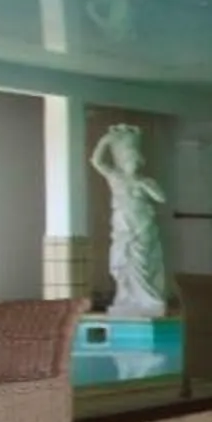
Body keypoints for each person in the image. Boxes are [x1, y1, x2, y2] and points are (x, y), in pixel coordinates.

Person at [90, 123, 171, 318]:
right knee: (123, 261)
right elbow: (97, 161)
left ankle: (149, 299)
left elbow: (162, 198)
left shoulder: (146, 181)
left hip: (142, 225)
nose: (132, 164)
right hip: (123, 226)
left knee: (142, 261)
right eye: (128, 160)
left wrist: (144, 186)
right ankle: (127, 298)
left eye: (135, 161)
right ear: (123, 162)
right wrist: (105, 142)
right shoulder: (115, 177)